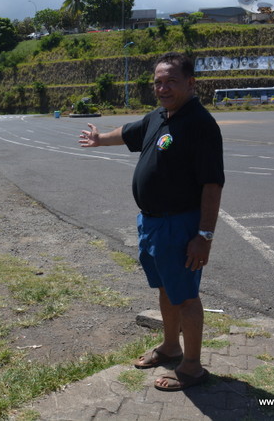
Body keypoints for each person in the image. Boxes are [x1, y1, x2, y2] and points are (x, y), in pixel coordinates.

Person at [78, 52, 224, 391]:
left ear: (191, 83)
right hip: (152, 223)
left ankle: (192, 366)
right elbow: (128, 132)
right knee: (166, 289)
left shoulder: (200, 124)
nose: (163, 88)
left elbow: (212, 185)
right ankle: (171, 346)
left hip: (180, 225)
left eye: (171, 81)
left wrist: (204, 236)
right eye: (158, 82)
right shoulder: (159, 116)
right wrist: (100, 139)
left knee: (185, 296)